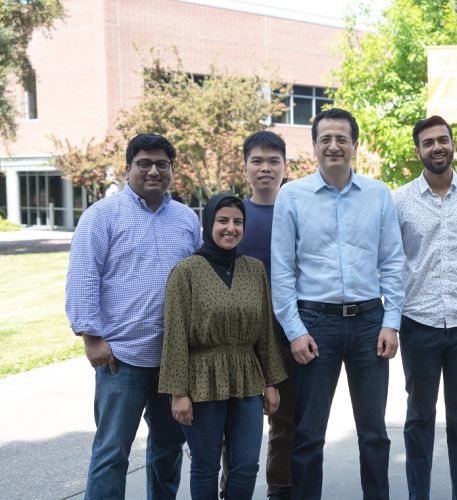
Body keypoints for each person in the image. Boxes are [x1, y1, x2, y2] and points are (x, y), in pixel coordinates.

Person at [271, 108, 405, 500]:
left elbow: (393, 261)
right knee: (309, 433)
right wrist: (294, 330)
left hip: (369, 322)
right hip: (315, 324)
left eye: (341, 139)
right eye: (325, 139)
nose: (333, 146)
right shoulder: (292, 196)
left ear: (354, 146)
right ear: (314, 146)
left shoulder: (378, 194)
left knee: (374, 434)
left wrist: (391, 321)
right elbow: (282, 271)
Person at [65, 133, 202, 499]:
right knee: (112, 452)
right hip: (120, 358)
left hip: (173, 360)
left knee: (168, 450)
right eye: (144, 163)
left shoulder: (186, 219)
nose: (153, 170)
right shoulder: (102, 216)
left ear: (172, 170)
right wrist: (91, 337)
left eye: (162, 164)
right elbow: (83, 275)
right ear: (129, 168)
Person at [392, 115, 457, 500]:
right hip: (418, 323)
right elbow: (390, 261)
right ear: (417, 150)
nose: (437, 147)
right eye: (428, 142)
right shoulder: (399, 201)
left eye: (443, 140)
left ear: (453, 144)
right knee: (418, 418)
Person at [159, 192, 288, 499]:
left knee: (246, 465)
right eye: (223, 220)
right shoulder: (186, 271)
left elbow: (266, 331)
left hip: (247, 377)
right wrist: (179, 394)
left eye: (238, 222)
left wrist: (271, 382)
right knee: (205, 465)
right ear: (209, 223)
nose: (230, 228)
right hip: (202, 377)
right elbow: (175, 334)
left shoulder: (254, 269)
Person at [236, 130, 294, 500]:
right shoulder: (233, 216)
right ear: (245, 168)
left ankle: (280, 490)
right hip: (240, 335)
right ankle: (233, 489)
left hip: (288, 329)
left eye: (273, 161)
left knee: (285, 420)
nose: (265, 168)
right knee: (236, 423)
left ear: (285, 167)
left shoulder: (298, 209)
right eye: (257, 161)